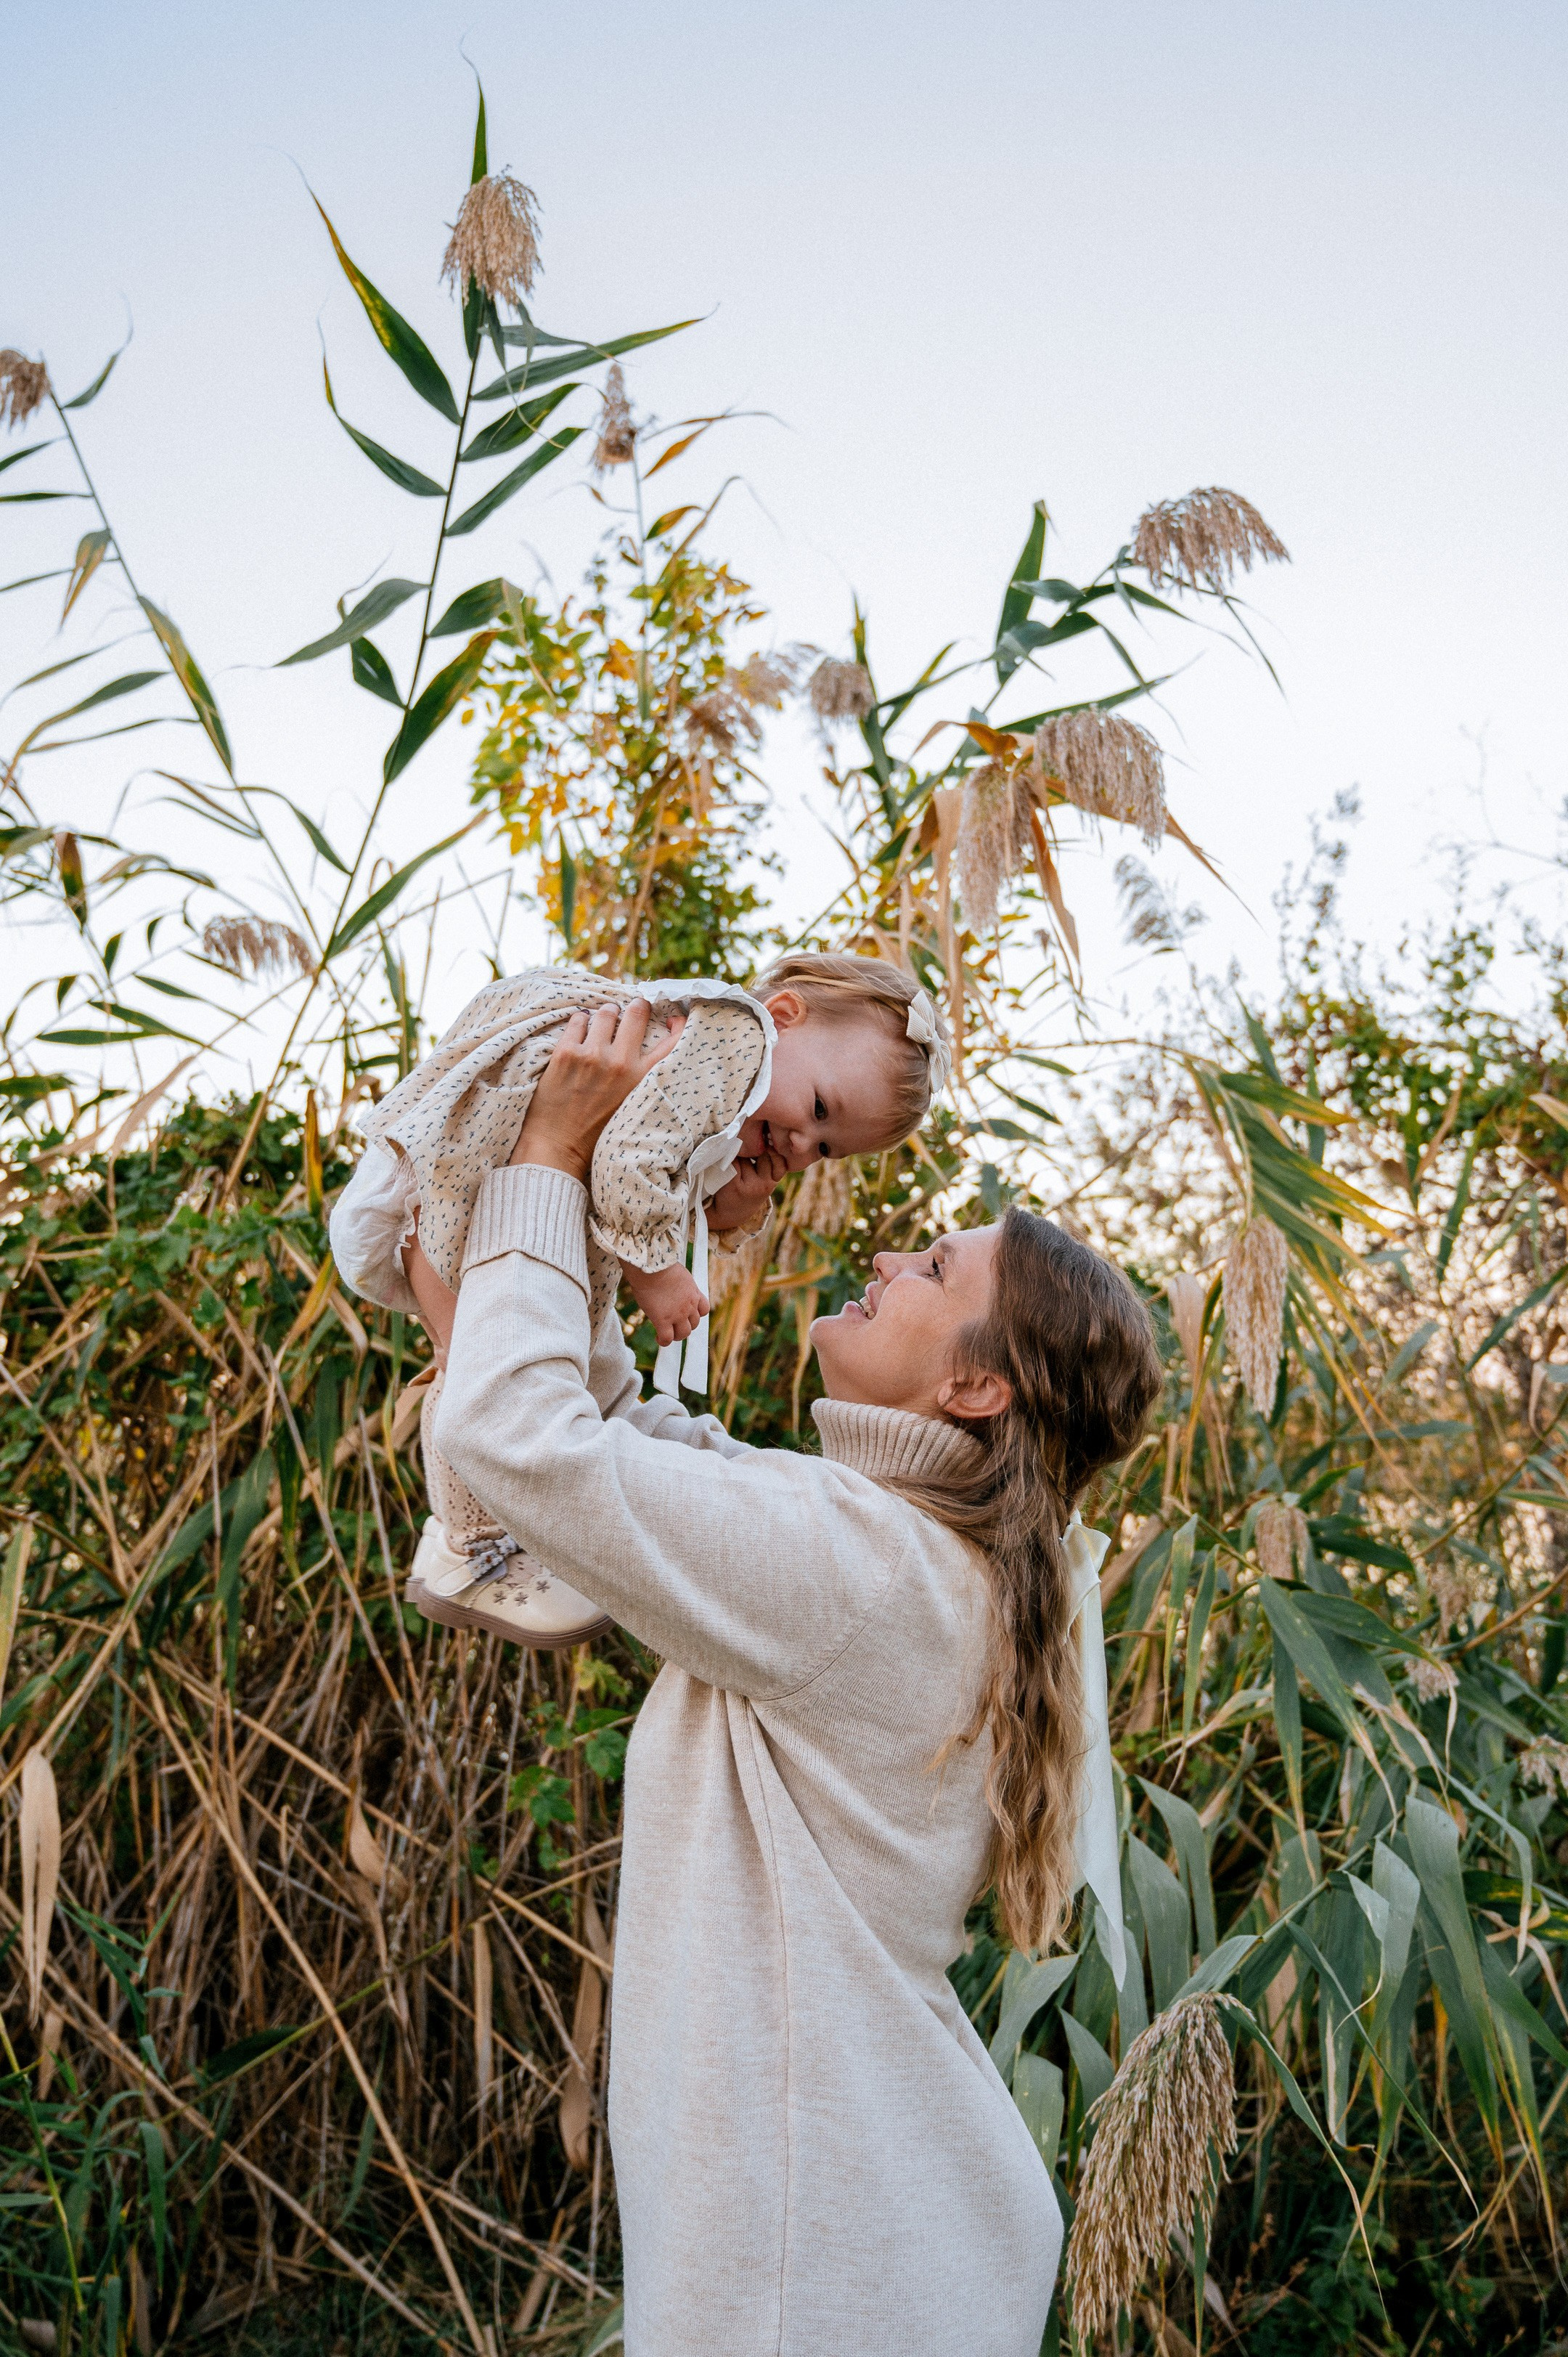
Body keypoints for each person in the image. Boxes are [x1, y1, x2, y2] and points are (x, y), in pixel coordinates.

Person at [435, 1000, 1163, 2357]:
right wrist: (611, 1204)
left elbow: (516, 1434)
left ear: (977, 1390)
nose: (890, 1253)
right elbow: (628, 1446)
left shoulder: (863, 1567)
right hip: (871, 2240)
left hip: (811, 2274)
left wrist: (543, 1153)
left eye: (936, 1270)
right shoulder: (912, 1556)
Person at [330, 951, 951, 1645]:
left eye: (829, 1148)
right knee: (477, 1362)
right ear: (783, 1016)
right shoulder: (735, 1039)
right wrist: (658, 1276)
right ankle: (469, 1546)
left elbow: (634, 1167)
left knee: (558, 1365)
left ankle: (503, 1532)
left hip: (495, 1188)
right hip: (464, 1180)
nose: (804, 1143)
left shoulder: (736, 1082)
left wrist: (726, 1201)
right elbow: (626, 1165)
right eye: (818, 1109)